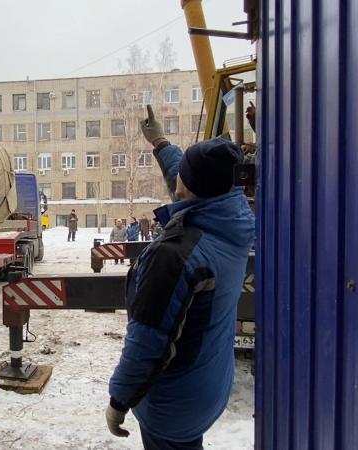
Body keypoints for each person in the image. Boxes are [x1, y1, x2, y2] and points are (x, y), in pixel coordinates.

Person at [105, 105, 255, 450]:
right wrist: (159, 141)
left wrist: (119, 400)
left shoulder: (176, 255)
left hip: (175, 400)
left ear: (186, 186)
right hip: (208, 382)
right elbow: (190, 176)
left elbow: (148, 342)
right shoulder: (232, 216)